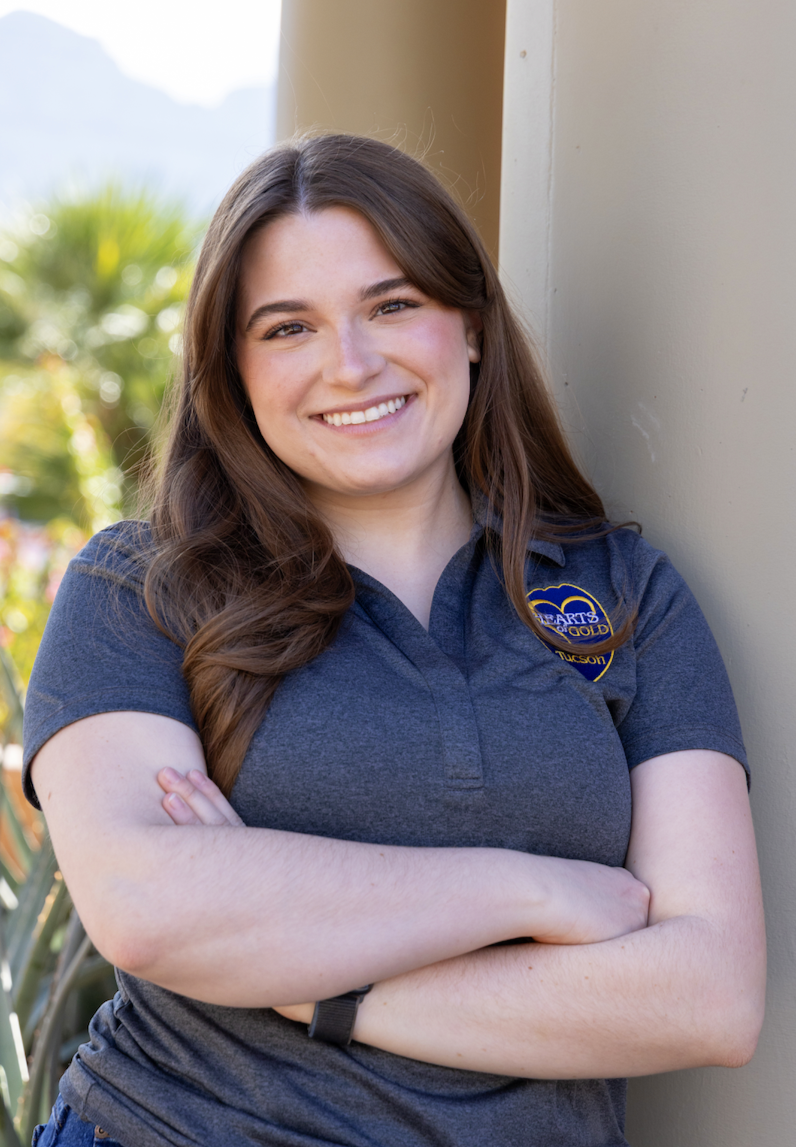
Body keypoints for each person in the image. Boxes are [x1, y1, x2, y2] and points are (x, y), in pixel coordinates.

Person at [23, 134, 765, 1147]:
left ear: (467, 325)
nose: (351, 363)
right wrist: (534, 887)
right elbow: (150, 909)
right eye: (287, 328)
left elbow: (707, 996)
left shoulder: (626, 594)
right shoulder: (142, 587)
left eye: (392, 304)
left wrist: (315, 983)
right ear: (233, 370)